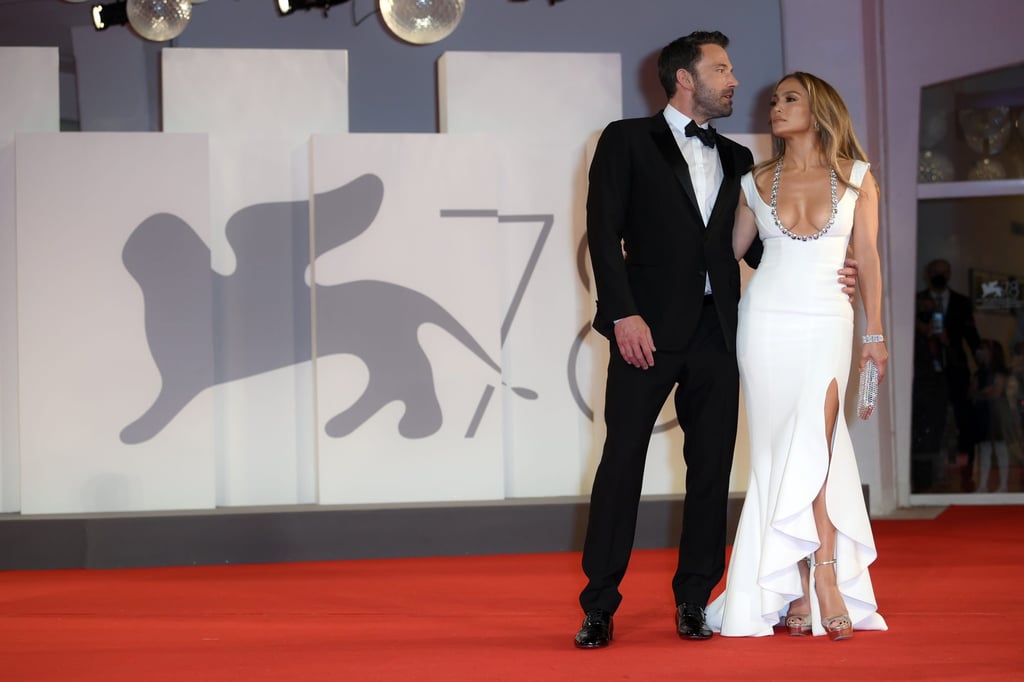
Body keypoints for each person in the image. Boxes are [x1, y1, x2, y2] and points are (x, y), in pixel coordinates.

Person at [574, 34, 857, 648]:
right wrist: (623, 315)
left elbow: (759, 246)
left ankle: (694, 601)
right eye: (721, 69)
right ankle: (599, 605)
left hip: (722, 333)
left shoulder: (737, 161)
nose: (734, 80)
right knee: (621, 464)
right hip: (642, 334)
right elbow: (603, 234)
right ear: (683, 78)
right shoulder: (623, 140)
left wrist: (828, 261)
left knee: (711, 472)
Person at [706, 72, 888, 640]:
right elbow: (725, 254)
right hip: (763, 326)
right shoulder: (754, 180)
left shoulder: (857, 178)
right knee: (777, 453)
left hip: (827, 322)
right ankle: (798, 583)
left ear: (820, 109)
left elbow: (869, 260)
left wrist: (875, 335)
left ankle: (826, 578)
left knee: (823, 448)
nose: (775, 108)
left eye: (789, 99)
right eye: (773, 101)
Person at [916, 258, 980, 490]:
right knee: (931, 420)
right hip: (926, 373)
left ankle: (967, 470)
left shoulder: (962, 303)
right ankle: (930, 474)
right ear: (928, 274)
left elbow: (972, 338)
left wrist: (980, 367)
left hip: (956, 369)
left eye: (944, 272)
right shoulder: (917, 301)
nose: (940, 276)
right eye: (936, 272)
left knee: (964, 417)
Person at [972, 339, 1014, 493]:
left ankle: (1003, 485)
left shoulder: (1000, 372)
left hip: (997, 413)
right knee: (984, 448)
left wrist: (984, 392)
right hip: (983, 412)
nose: (980, 352)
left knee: (1000, 447)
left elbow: (996, 392)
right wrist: (984, 392)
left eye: (985, 349)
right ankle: (982, 484)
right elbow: (974, 391)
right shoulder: (980, 373)